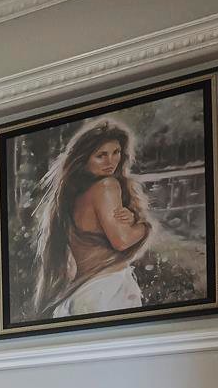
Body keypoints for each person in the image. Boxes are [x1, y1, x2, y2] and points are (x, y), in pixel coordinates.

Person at [27, 119, 152, 321]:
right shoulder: (106, 186)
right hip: (108, 290)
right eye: (101, 155)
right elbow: (122, 241)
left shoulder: (71, 199)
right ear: (83, 159)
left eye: (116, 152)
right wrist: (144, 226)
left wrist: (130, 218)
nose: (111, 161)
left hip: (82, 294)